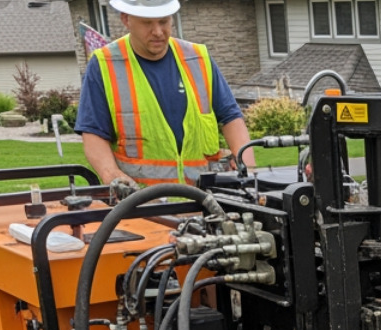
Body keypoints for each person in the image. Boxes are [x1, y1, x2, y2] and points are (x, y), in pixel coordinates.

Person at [74, 0, 254, 197]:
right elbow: (93, 134)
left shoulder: (197, 58)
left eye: (163, 22)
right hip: (141, 205)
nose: (158, 32)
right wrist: (112, 175)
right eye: (147, 23)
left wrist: (248, 172)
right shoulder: (104, 64)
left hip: (204, 200)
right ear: (126, 19)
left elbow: (231, 117)